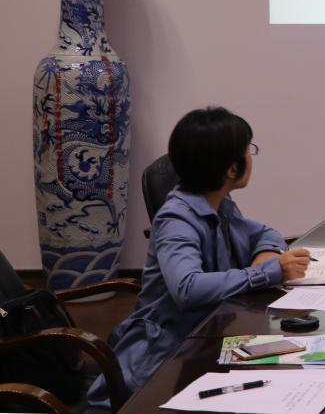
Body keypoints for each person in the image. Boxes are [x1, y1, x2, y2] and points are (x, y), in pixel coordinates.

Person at [87, 107, 311, 406]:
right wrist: (267, 272)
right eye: (248, 150)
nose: (251, 157)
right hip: (164, 362)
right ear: (231, 169)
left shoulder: (219, 202)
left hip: (211, 335)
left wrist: (266, 257)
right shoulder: (176, 219)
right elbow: (188, 288)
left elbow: (263, 232)